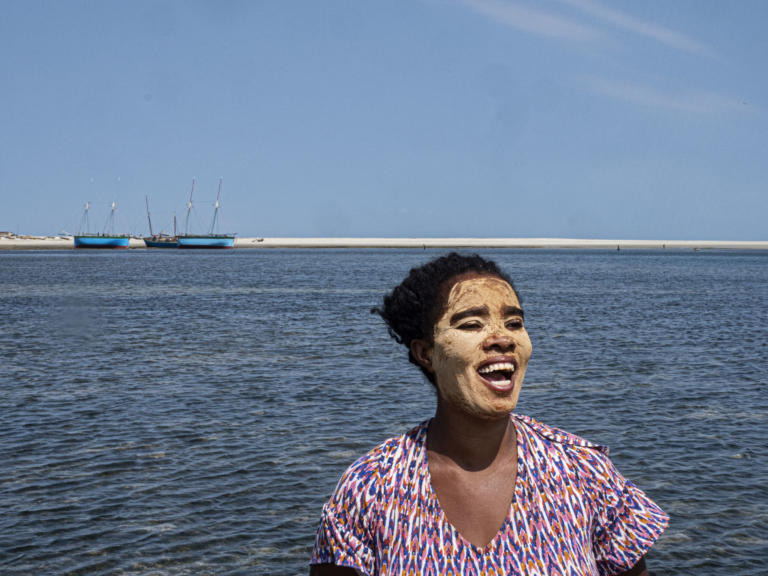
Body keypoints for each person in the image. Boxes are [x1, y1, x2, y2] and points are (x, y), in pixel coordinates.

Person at [310, 253, 667, 576]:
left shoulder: (583, 472)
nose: (502, 338)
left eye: (514, 323)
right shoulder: (371, 488)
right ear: (426, 353)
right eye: (471, 324)